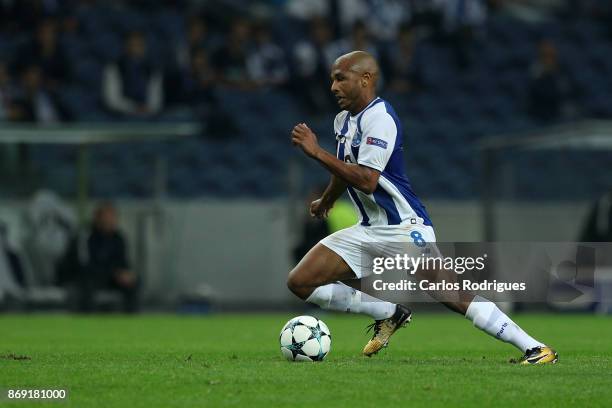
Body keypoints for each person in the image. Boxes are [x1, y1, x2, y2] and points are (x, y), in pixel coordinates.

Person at [288, 50, 557, 364]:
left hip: (404, 227)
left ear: (365, 79)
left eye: (340, 78)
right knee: (301, 281)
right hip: (368, 230)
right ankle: (389, 313)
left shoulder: (381, 118)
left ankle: (536, 348)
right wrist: (328, 200)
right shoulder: (342, 120)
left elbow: (367, 180)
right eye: (332, 79)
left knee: (451, 294)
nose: (333, 87)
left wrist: (316, 152)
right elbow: (346, 167)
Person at [58, 202, 138, 313]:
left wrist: (125, 274)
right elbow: (83, 265)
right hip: (81, 277)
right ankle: (88, 321)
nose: (111, 221)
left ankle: (130, 322)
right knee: (87, 285)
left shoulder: (118, 238)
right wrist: (114, 273)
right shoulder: (85, 236)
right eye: (107, 217)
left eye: (113, 217)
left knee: (133, 283)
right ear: (97, 218)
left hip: (109, 278)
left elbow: (123, 262)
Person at [102, 31, 163, 118]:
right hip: (121, 116)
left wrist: (148, 109)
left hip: (148, 116)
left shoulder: (153, 69)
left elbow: (156, 100)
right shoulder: (114, 67)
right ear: (126, 46)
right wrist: (133, 108)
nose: (136, 48)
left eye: (140, 44)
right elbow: (112, 99)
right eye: (132, 44)